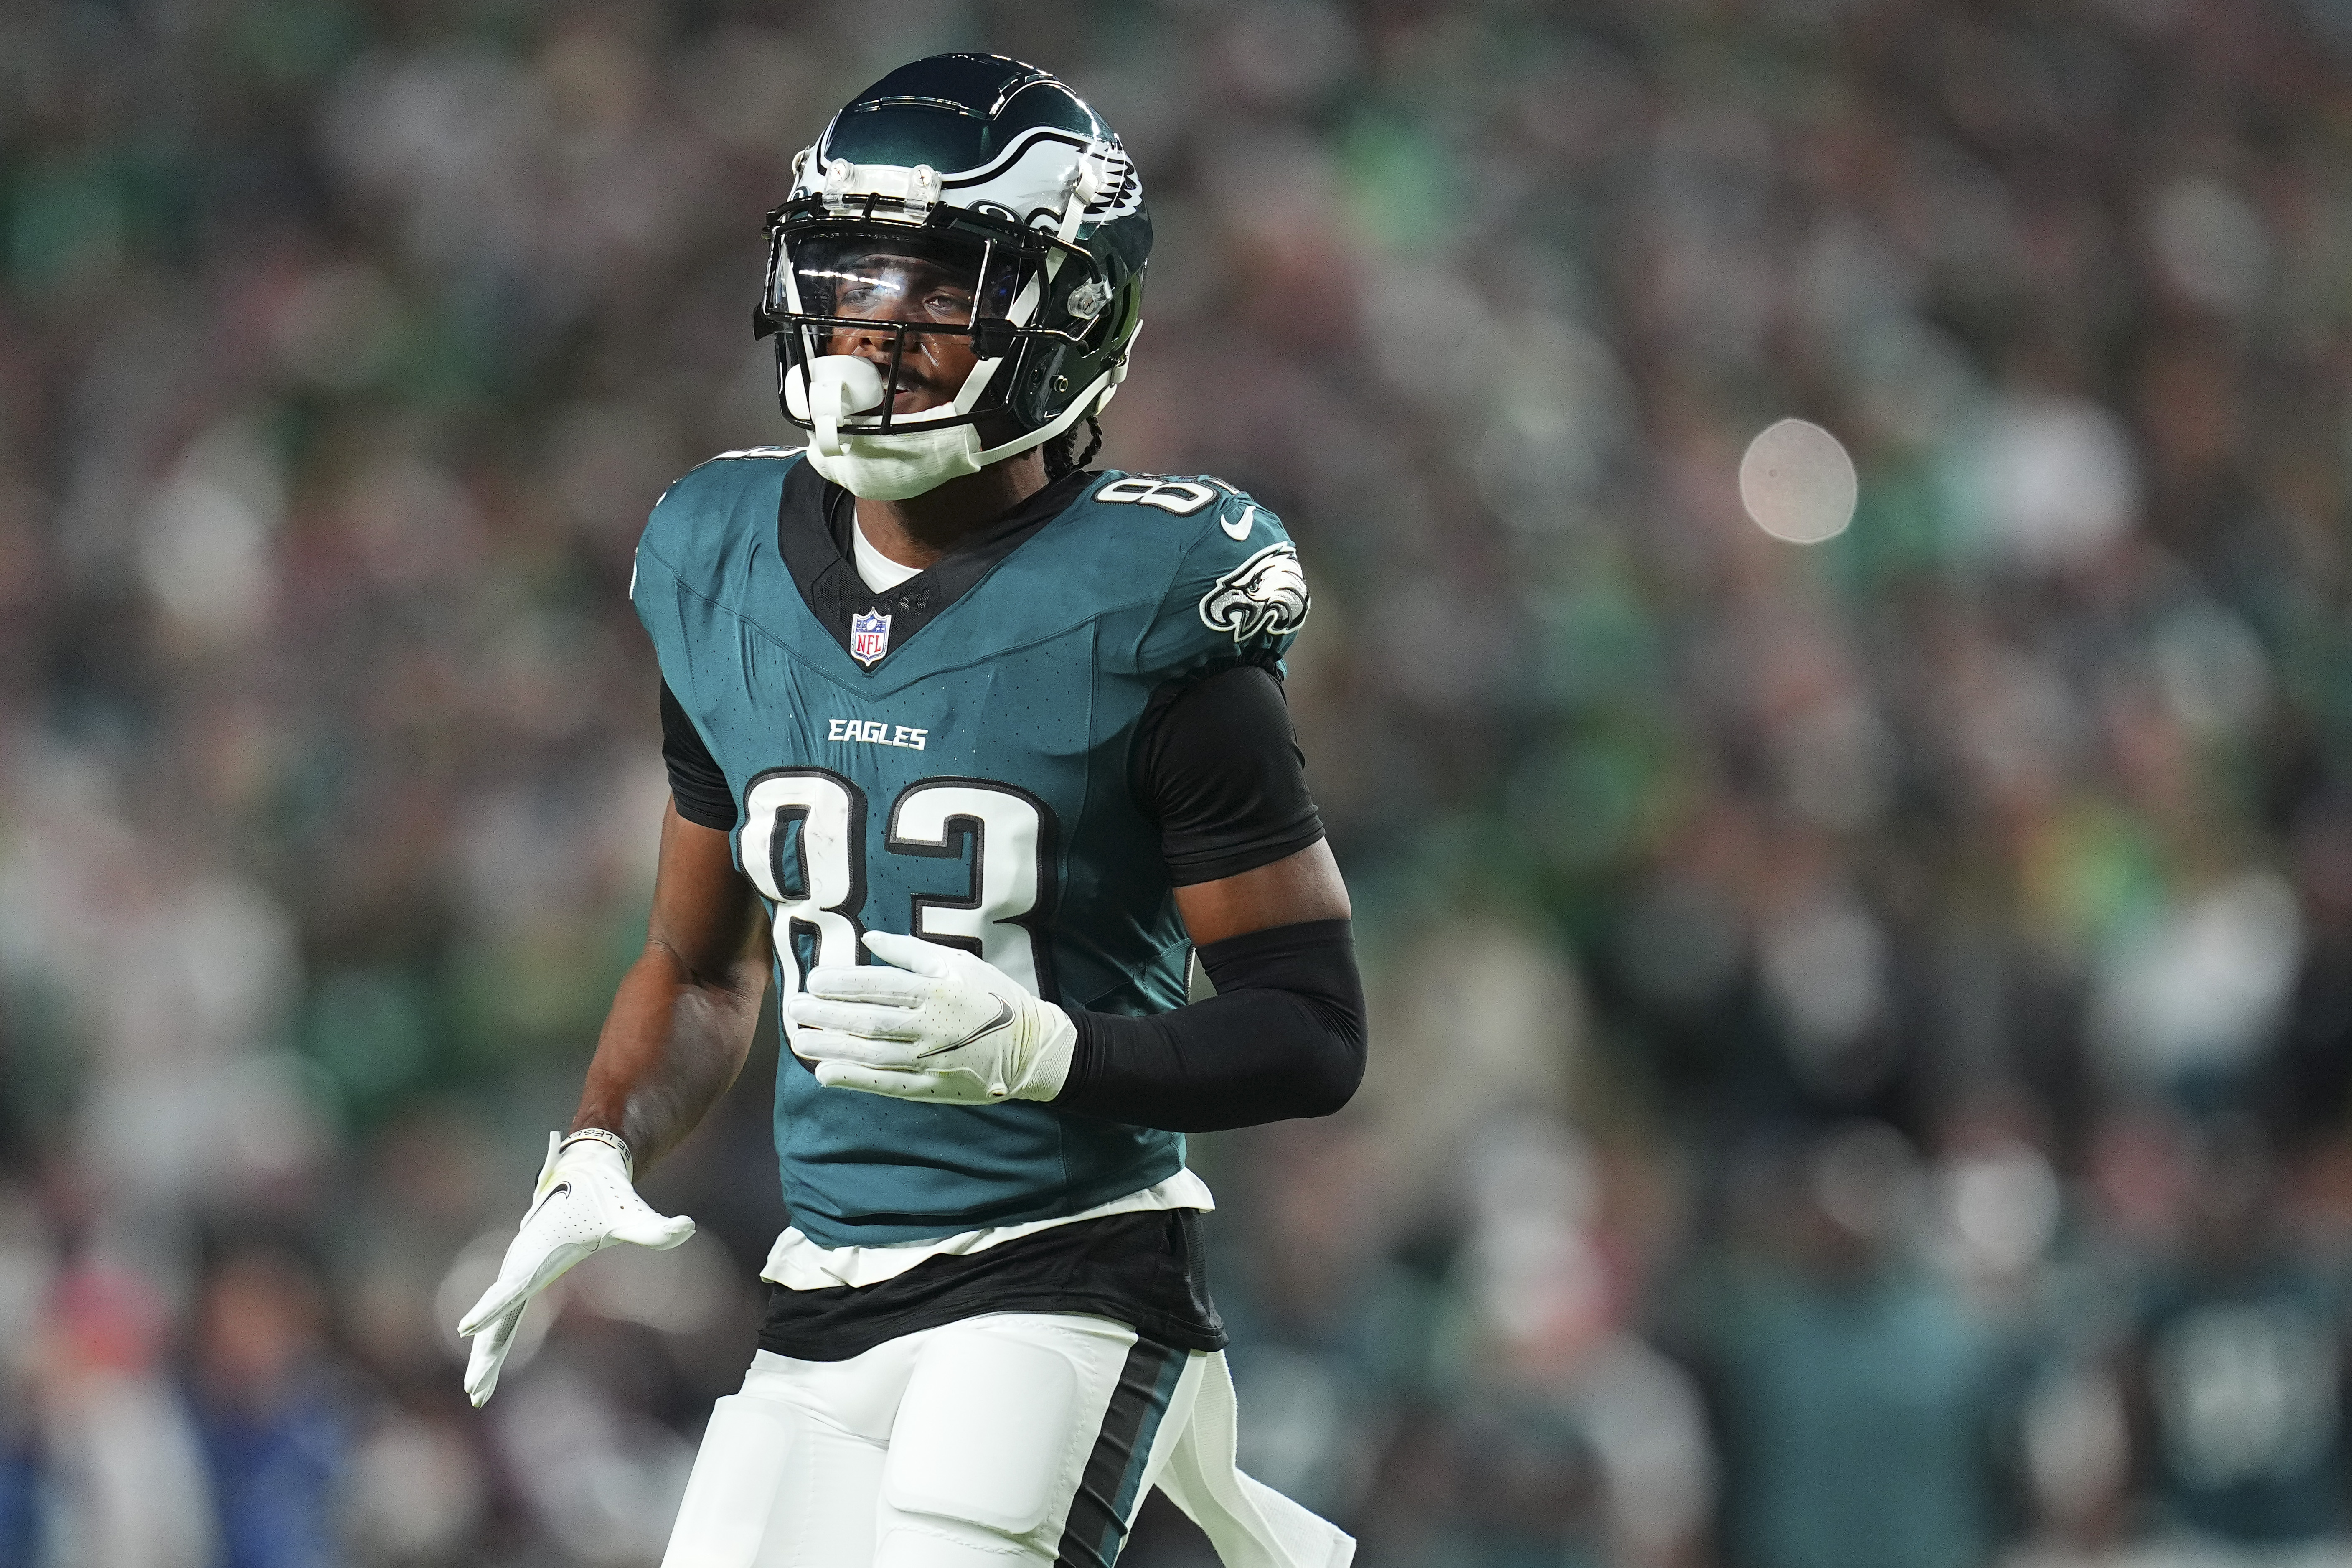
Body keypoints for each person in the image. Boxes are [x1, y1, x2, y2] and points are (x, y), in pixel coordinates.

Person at [455, 52, 1368, 1568]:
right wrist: (597, 1147)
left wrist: (1051, 1052)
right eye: (846, 274)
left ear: (1066, 315)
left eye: (935, 291)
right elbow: (700, 964)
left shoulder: (1146, 609)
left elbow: (1313, 1025)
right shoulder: (718, 564)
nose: (871, 326)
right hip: (823, 1280)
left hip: (1065, 1265)